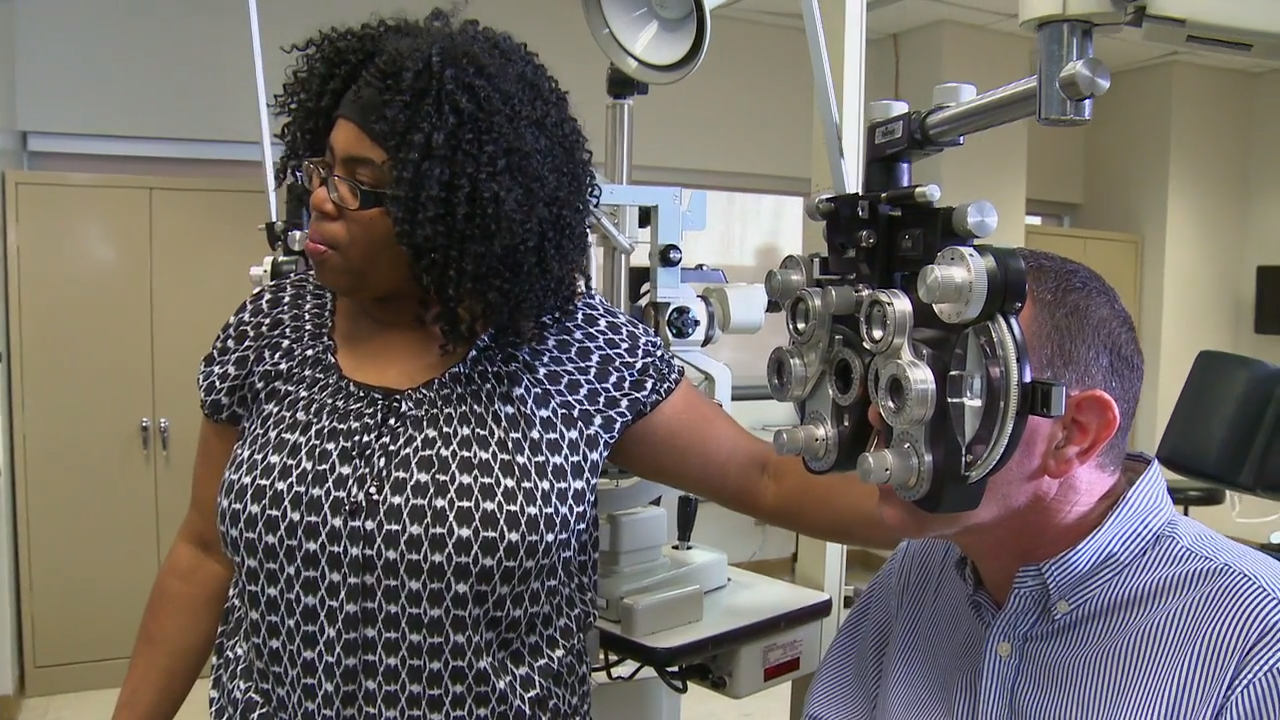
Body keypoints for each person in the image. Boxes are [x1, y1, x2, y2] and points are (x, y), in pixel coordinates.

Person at [110, 10, 899, 720]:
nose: (322, 198)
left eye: (363, 186)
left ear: (455, 214)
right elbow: (204, 551)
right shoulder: (272, 332)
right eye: (326, 166)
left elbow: (763, 481)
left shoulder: (569, 346)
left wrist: (957, 498)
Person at [803, 248, 1280, 720]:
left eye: (955, 382)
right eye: (895, 381)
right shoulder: (922, 567)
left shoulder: (1257, 641)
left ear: (1073, 434)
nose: (879, 415)